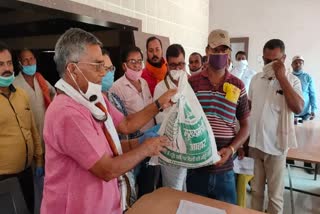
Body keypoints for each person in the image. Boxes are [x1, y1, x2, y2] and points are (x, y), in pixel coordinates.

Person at [41, 28, 176, 214]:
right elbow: (107, 169)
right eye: (97, 65)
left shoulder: (94, 98)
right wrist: (146, 149)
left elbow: (125, 125)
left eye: (105, 66)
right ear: (72, 69)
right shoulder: (67, 113)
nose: (103, 72)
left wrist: (158, 106)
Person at [187, 29, 250, 204]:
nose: (220, 54)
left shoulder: (237, 85)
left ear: (229, 52)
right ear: (207, 51)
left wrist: (231, 150)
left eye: (224, 50)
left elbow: (245, 126)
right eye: (215, 50)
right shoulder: (193, 83)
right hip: (197, 167)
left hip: (225, 171)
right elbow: (185, 121)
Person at [248, 39, 304, 214]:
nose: (270, 64)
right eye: (266, 61)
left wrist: (281, 77)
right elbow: (250, 109)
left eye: (275, 61)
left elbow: (299, 107)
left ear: (284, 58)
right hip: (256, 145)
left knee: (275, 196)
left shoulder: (292, 81)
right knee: (256, 192)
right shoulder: (256, 79)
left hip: (277, 147)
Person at [0, 42, 44, 213]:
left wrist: (39, 159)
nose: (6, 68)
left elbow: (32, 129)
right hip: (4, 178)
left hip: (27, 172)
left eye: (9, 63)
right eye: (1, 64)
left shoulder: (21, 94)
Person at [110, 46, 157, 198]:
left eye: (139, 61)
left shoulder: (143, 82)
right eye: (132, 61)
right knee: (132, 187)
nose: (137, 65)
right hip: (132, 144)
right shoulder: (116, 87)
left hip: (150, 141)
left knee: (148, 187)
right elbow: (121, 122)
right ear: (124, 65)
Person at [14, 48, 55, 213]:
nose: (30, 63)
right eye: (25, 60)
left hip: (47, 139)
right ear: (19, 63)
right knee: (34, 183)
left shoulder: (40, 79)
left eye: (32, 59)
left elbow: (53, 93)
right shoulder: (15, 85)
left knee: (49, 181)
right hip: (30, 142)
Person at [153, 44, 188, 190]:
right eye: (173, 65)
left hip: (188, 145)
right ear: (167, 66)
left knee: (185, 188)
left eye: (181, 64)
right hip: (170, 147)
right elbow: (161, 119)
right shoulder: (161, 88)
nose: (178, 69)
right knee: (173, 189)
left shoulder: (190, 84)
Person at [291, 55, 317, 173]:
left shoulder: (307, 77)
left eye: (300, 63)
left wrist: (314, 110)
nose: (298, 64)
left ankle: (308, 163)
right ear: (292, 64)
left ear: (303, 64)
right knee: (291, 135)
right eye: (296, 63)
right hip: (291, 114)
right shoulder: (288, 77)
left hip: (305, 114)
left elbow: (312, 94)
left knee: (306, 137)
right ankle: (289, 160)